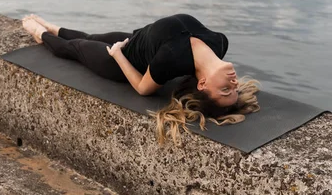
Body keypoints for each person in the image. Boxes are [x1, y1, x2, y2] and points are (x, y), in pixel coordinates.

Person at [22, 13, 260, 144]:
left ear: (203, 84)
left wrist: (116, 54)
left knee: (74, 49)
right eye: (234, 90)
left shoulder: (170, 58)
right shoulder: (219, 42)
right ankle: (53, 27)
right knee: (90, 36)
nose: (234, 84)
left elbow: (142, 88)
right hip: (136, 42)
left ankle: (39, 33)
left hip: (121, 62)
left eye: (225, 91)